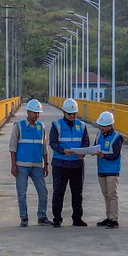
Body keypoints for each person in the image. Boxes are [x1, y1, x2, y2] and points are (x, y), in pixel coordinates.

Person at [9, 99, 52, 227]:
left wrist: (46, 164)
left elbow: (44, 148)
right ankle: (24, 217)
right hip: (21, 166)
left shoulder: (41, 127)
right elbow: (12, 148)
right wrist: (13, 166)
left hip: (37, 166)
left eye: (38, 113)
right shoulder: (18, 126)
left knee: (43, 192)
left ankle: (42, 216)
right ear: (28, 112)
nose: (36, 115)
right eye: (34, 113)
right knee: (22, 193)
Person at [49, 98, 90, 228]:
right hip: (60, 164)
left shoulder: (82, 126)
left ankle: (77, 218)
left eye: (74, 114)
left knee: (77, 193)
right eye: (69, 114)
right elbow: (53, 143)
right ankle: (57, 218)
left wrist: (83, 152)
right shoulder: (57, 125)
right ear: (64, 112)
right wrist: (62, 151)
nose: (72, 116)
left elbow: (86, 143)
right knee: (58, 192)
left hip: (77, 164)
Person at [93, 111, 123, 229]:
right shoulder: (98, 135)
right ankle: (108, 216)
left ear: (110, 125)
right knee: (106, 194)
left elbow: (115, 154)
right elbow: (95, 147)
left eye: (104, 126)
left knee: (112, 194)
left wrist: (103, 156)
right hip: (102, 170)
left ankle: (114, 219)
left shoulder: (117, 138)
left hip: (112, 171)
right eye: (100, 126)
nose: (102, 128)